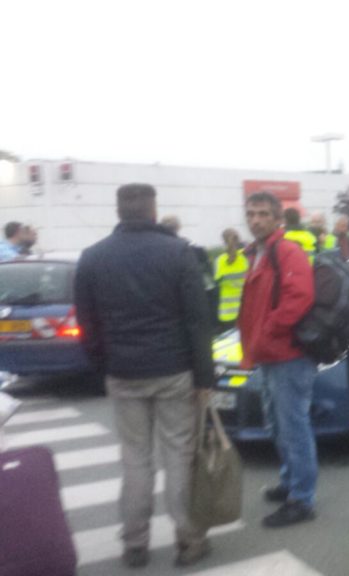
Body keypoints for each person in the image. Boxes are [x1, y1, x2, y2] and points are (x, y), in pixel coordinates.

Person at [73, 184, 214, 568]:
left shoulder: (92, 258)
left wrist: (103, 365)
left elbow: (87, 324)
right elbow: (197, 321)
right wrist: (205, 377)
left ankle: (135, 542)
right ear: (153, 212)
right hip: (173, 371)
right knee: (179, 457)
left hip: (123, 372)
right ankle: (189, 539)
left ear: (119, 211)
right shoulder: (178, 253)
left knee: (135, 459)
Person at [238, 191, 318, 528]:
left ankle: (302, 499)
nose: (255, 219)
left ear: (276, 219)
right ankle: (290, 482)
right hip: (268, 355)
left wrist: (266, 333)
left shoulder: (286, 251)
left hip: (288, 355)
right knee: (277, 425)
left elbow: (299, 299)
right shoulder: (259, 253)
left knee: (294, 427)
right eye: (251, 213)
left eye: (262, 214)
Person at [161, 215, 219, 328]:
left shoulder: (159, 253)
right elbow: (209, 285)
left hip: (170, 316)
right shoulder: (193, 250)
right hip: (194, 309)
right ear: (179, 227)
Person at [213, 228, 248, 333]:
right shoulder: (246, 258)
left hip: (226, 314)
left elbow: (216, 285)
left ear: (223, 241)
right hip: (246, 310)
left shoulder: (220, 260)